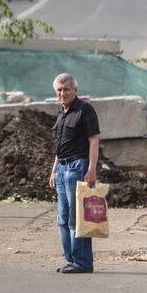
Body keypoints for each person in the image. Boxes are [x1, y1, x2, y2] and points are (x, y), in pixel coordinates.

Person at [49, 73, 101, 274]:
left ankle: (82, 262)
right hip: (62, 170)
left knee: (76, 219)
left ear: (75, 90)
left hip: (77, 168)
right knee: (62, 219)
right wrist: (54, 170)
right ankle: (71, 259)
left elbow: (94, 140)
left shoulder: (84, 110)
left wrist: (91, 169)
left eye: (66, 89)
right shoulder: (61, 113)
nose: (63, 93)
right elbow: (60, 147)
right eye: (59, 90)